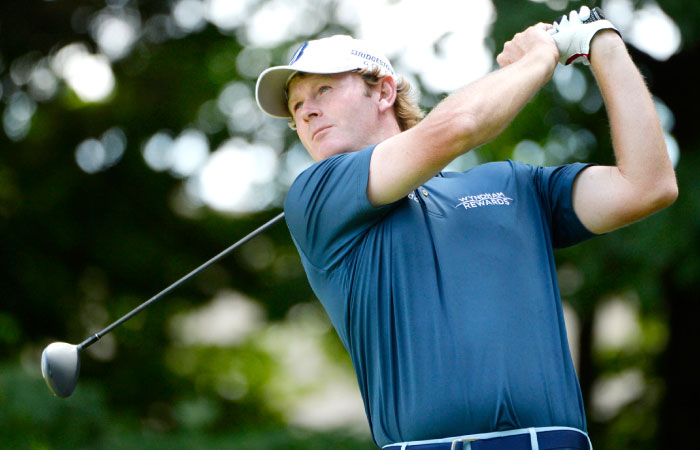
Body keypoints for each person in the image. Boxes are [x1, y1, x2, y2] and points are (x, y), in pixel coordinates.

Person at [255, 6, 677, 450]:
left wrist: (600, 41)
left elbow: (647, 186)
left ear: (382, 92)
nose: (307, 113)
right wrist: (543, 55)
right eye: (297, 106)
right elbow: (458, 127)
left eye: (322, 90)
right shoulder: (316, 197)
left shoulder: (513, 183)